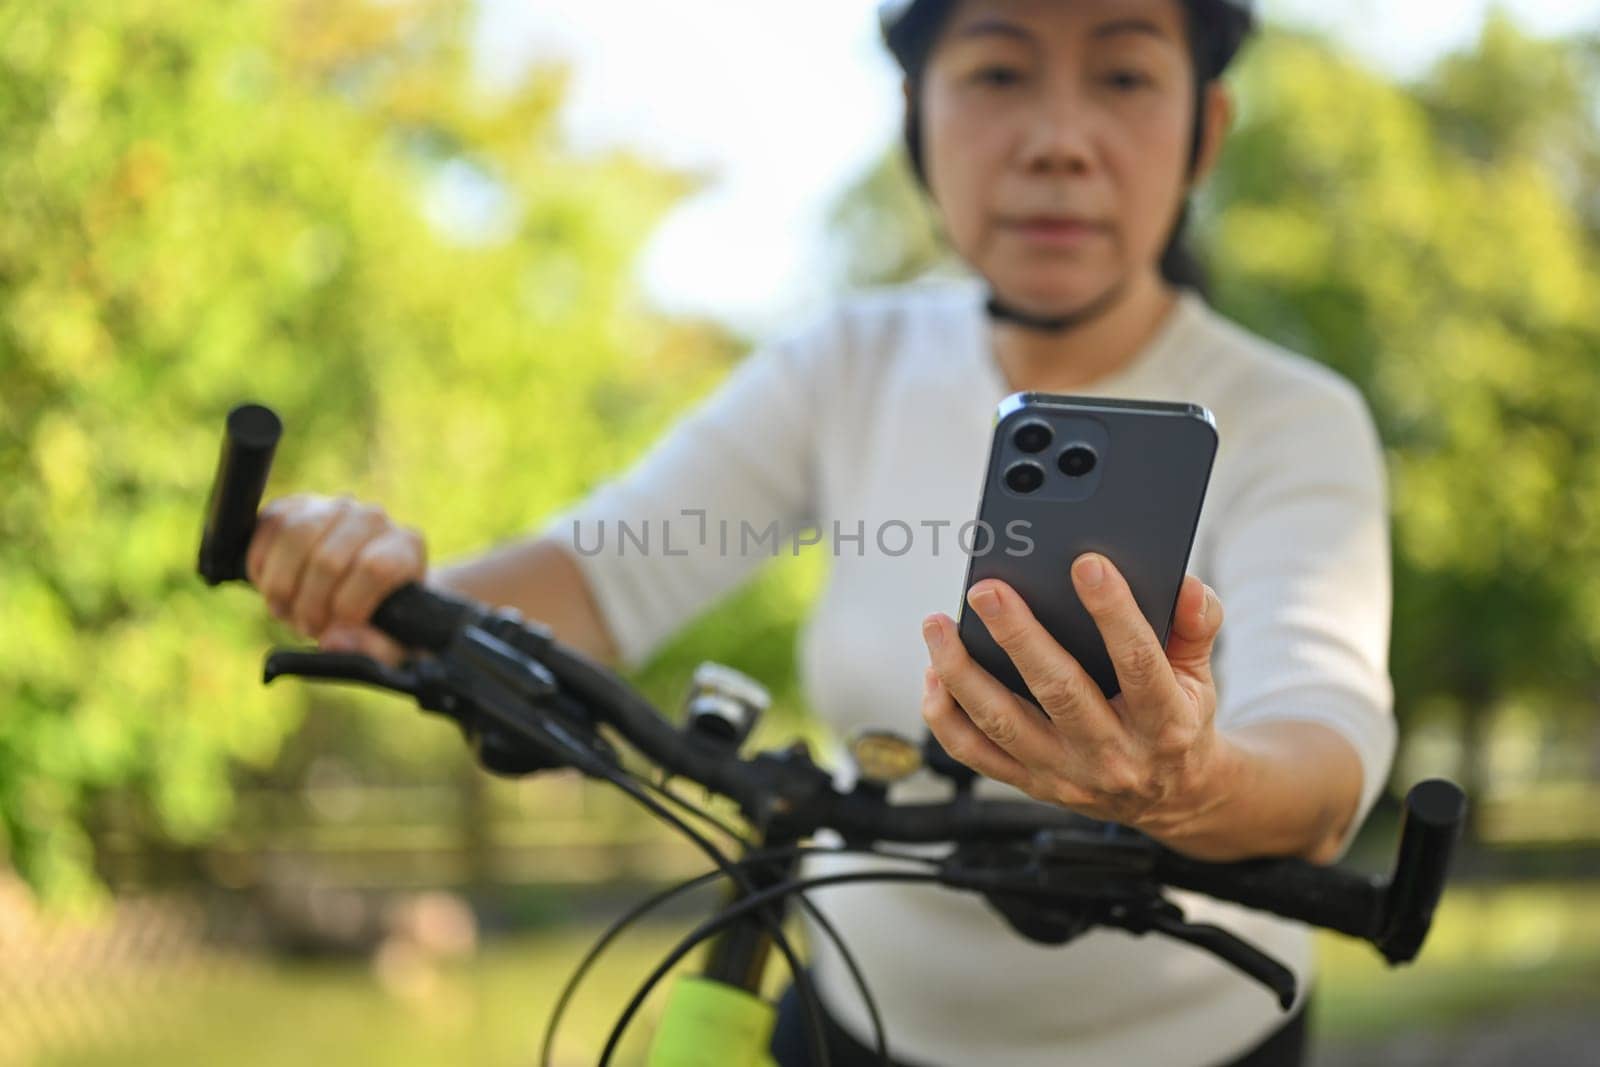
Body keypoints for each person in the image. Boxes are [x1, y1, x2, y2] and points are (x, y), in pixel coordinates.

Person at [246, 1, 1395, 1064]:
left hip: (1199, 1040)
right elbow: (603, 572)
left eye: (1126, 76)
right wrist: (382, 585)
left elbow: (1321, 742)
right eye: (997, 70)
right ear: (915, 118)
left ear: (1205, 131)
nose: (1057, 138)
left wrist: (1186, 782)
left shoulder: (1293, 418)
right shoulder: (848, 363)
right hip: (849, 1010)